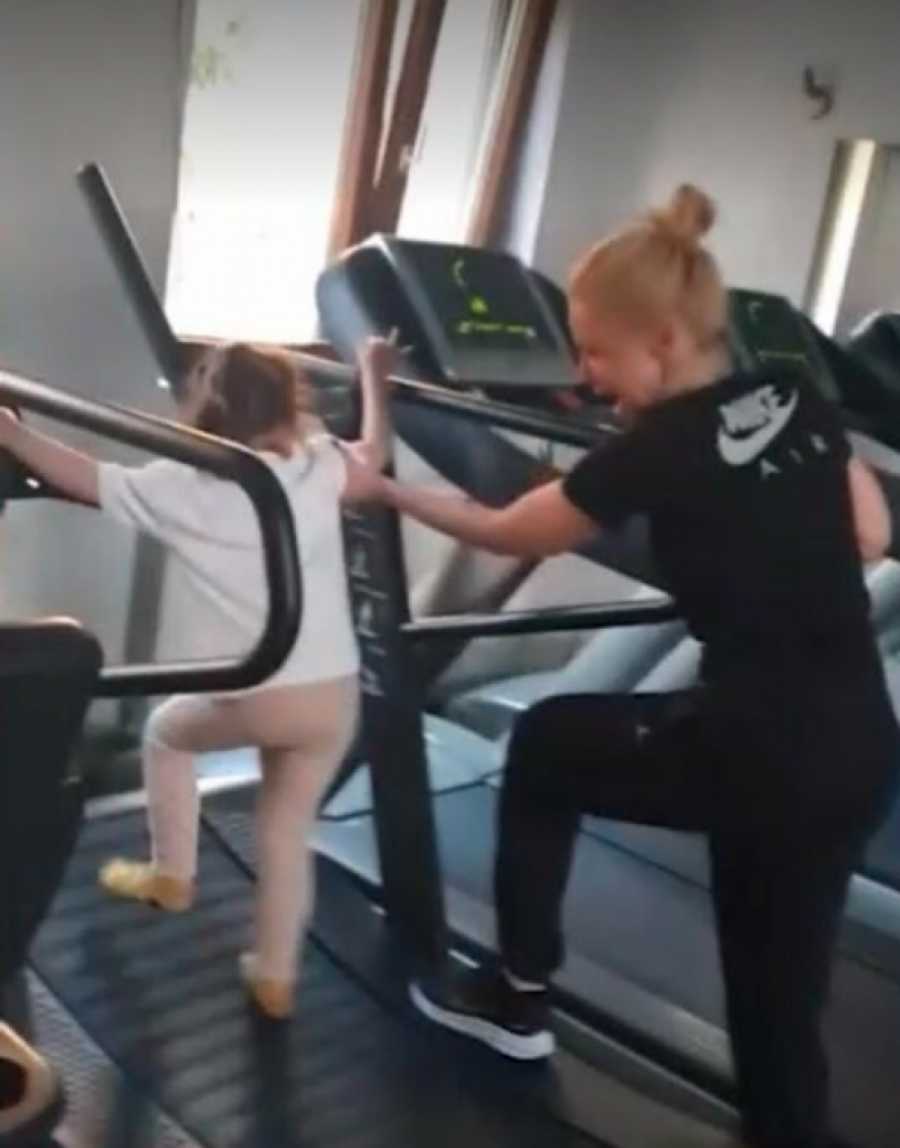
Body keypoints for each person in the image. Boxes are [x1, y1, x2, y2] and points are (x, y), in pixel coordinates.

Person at [348, 187, 900, 1148]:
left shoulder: (658, 449)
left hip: (759, 748)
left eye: (598, 352)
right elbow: (871, 535)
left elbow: (510, 527)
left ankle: (518, 996)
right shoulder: (795, 393)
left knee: (546, 746)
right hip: (859, 745)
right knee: (779, 1012)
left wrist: (383, 489)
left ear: (665, 341)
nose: (588, 375)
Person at [0, 335, 396, 1020]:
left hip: (259, 688)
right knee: (285, 830)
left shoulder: (181, 486)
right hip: (334, 691)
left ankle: (171, 875)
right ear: (290, 406)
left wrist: (11, 432)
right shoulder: (318, 462)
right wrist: (374, 375)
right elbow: (374, 456)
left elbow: (86, 476)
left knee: (166, 734)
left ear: (204, 410)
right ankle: (275, 977)